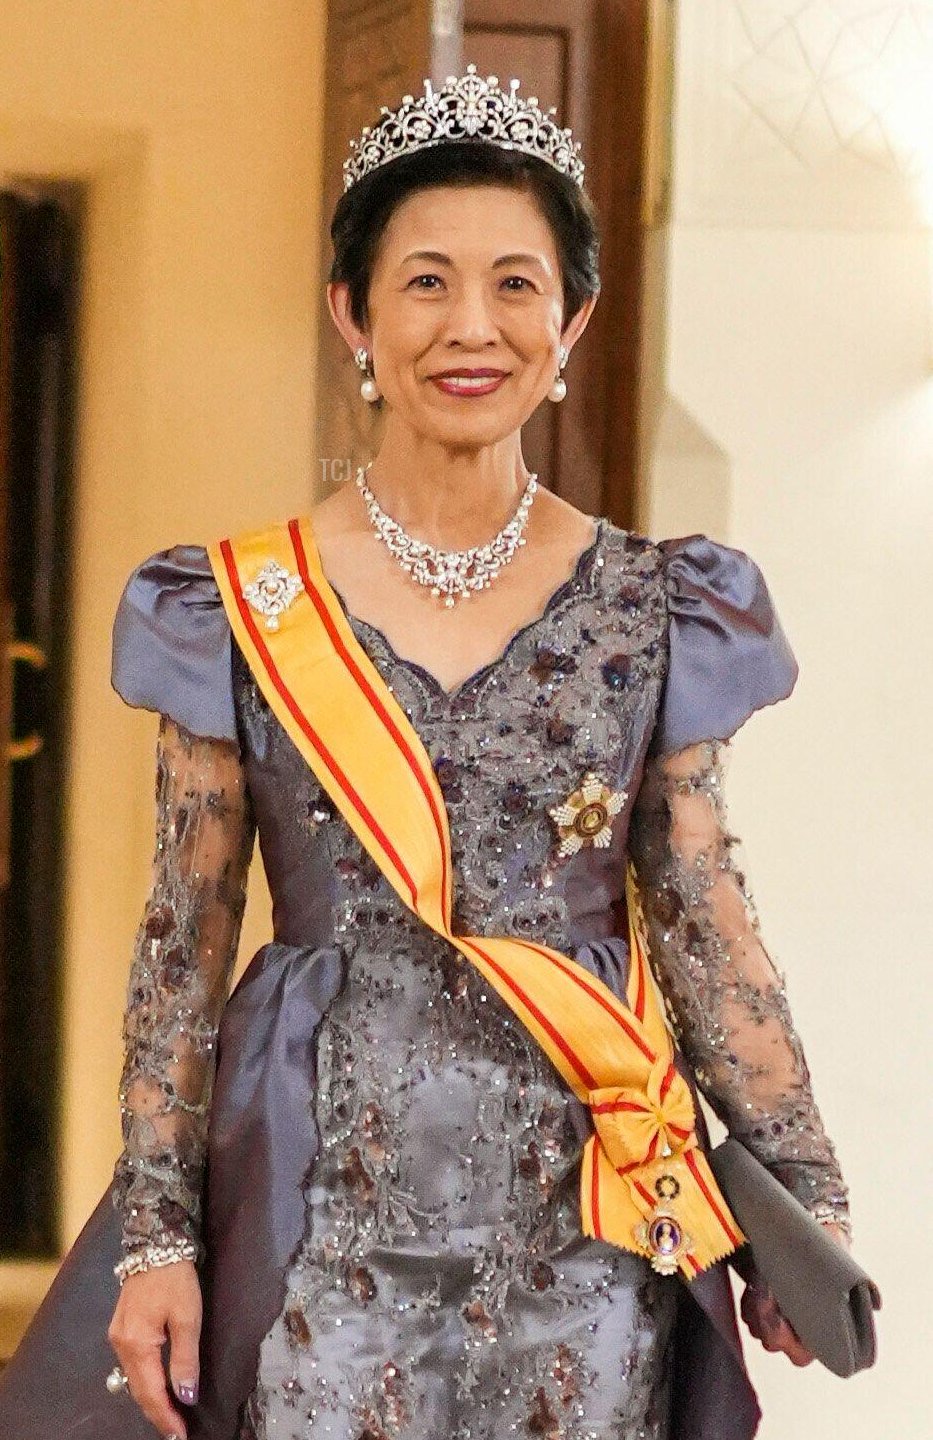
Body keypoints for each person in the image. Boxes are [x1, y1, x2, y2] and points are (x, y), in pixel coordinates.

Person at [0, 68, 851, 1440]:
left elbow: (699, 911)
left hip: (587, 1222)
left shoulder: (657, 601)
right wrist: (158, 1234)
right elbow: (183, 940)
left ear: (571, 317)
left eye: (515, 286)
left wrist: (799, 1206)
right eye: (425, 283)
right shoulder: (236, 601)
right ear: (354, 312)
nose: (471, 327)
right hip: (319, 1214)